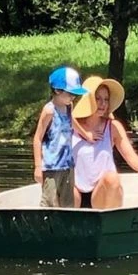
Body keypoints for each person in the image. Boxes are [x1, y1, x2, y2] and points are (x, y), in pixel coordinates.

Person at [70, 76, 138, 209]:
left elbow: (130, 156)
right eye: (98, 98)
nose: (102, 104)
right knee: (64, 183)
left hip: (103, 194)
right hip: (76, 192)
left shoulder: (113, 127)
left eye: (106, 99)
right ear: (88, 100)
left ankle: (108, 219)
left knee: (112, 178)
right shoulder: (70, 127)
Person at [32, 66, 93, 207]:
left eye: (75, 94)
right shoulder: (49, 111)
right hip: (51, 166)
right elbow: (37, 138)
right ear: (57, 90)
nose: (73, 97)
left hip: (67, 164)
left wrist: (86, 135)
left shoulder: (68, 106)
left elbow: (72, 121)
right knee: (50, 201)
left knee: (68, 202)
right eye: (70, 93)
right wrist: (38, 166)